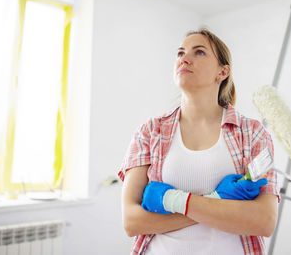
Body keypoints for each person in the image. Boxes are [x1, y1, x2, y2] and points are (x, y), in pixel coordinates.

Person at [118, 28, 280, 255]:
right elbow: (132, 222)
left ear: (222, 72)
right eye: (180, 52)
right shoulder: (149, 132)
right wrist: (219, 201)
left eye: (199, 52)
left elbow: (264, 222)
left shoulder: (252, 133)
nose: (184, 58)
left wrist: (170, 200)